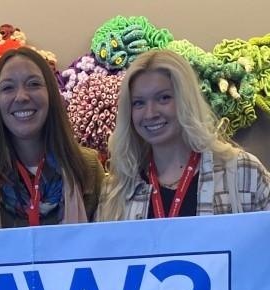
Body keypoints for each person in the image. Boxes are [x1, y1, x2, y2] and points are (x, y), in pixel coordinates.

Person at [95, 49, 270, 221]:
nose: (150, 113)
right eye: (139, 103)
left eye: (163, 98)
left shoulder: (243, 172)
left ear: (187, 101)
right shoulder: (116, 191)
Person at [0, 47, 104, 229]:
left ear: (51, 94)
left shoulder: (87, 167)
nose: (21, 97)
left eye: (33, 84)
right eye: (8, 88)